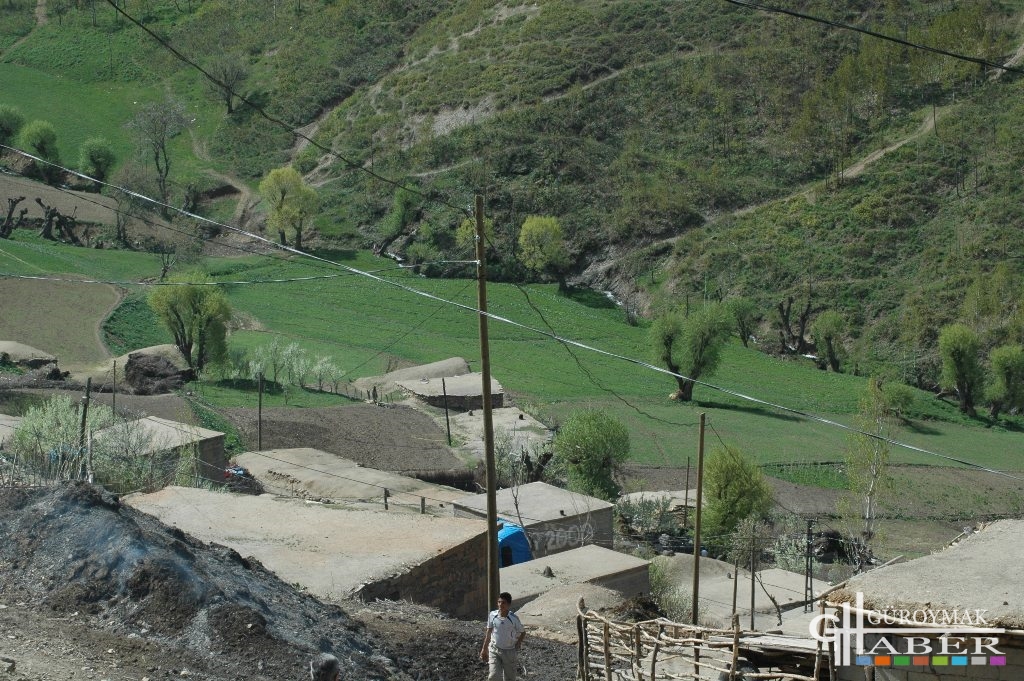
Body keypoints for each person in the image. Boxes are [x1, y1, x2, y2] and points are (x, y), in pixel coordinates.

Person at [479, 592, 525, 681]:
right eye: (499, 602)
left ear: (508, 604)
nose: (500, 605)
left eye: (503, 602)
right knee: (493, 676)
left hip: (509, 651)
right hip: (494, 649)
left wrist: (518, 643)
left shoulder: (513, 618)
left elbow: (523, 632)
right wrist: (484, 649)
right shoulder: (492, 615)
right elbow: (488, 632)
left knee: (509, 678)